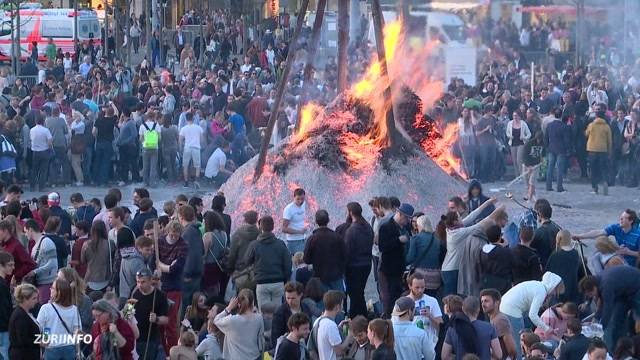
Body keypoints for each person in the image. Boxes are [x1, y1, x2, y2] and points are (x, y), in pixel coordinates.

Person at [441, 199, 503, 297]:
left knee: (455, 298)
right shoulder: (457, 234)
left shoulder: (453, 228)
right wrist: (499, 209)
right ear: (455, 221)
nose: (462, 218)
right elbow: (482, 224)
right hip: (452, 270)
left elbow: (472, 216)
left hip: (450, 269)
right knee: (451, 299)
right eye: (459, 217)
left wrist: (488, 202)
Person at [499, 271, 563, 360]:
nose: (554, 294)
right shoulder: (541, 292)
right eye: (555, 290)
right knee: (518, 343)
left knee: (509, 340)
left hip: (504, 308)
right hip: (512, 311)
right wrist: (547, 328)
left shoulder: (536, 285)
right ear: (553, 286)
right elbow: (532, 315)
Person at [579, 265, 640, 349]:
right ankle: (620, 347)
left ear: (594, 288)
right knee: (617, 319)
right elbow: (602, 304)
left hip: (636, 287)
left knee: (637, 317)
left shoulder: (606, 285)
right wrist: (596, 318)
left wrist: (600, 329)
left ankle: (635, 341)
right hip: (622, 292)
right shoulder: (597, 281)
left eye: (590, 294)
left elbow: (608, 309)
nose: (591, 297)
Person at [244, 215, 291, 311]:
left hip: (262, 282)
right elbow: (288, 264)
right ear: (273, 227)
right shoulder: (280, 244)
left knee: (263, 313)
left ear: (260, 227)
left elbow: (246, 261)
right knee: (278, 312)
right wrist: (286, 279)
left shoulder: (254, 245)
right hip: (278, 282)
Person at [156, 219, 188, 350]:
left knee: (170, 321)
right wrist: (166, 267)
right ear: (168, 231)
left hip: (174, 287)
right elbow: (154, 261)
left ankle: (173, 351)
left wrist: (163, 267)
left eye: (177, 234)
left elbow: (175, 269)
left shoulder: (183, 245)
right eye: (172, 234)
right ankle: (163, 350)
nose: (174, 237)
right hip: (160, 286)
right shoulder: (160, 242)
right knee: (159, 322)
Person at [378, 203, 414, 318]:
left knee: (399, 294)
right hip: (389, 269)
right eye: (407, 218)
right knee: (390, 297)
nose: (408, 222)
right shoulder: (386, 227)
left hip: (400, 268)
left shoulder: (406, 228)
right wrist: (398, 240)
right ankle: (390, 319)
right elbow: (382, 247)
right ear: (400, 214)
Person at [573, 209, 640, 265]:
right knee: (597, 256)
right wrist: (580, 236)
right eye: (621, 216)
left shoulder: (638, 235)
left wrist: (628, 252)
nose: (621, 219)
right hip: (619, 259)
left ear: (631, 221)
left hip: (631, 265)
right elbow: (599, 232)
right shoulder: (616, 227)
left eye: (624, 218)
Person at [37, 277, 82, 359]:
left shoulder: (46, 308)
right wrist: (78, 351)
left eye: (53, 288)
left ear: (59, 292)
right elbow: (77, 331)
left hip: (52, 348)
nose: (50, 289)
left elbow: (41, 328)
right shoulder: (74, 309)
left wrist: (45, 341)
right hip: (69, 347)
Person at [343, 202, 374, 318]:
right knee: (359, 292)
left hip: (354, 266)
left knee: (355, 294)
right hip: (366, 264)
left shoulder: (352, 230)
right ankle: (360, 316)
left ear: (350, 213)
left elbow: (347, 251)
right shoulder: (367, 227)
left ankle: (358, 318)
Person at [214, 289, 264, 360]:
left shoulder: (232, 320)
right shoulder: (259, 318)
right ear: (253, 302)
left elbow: (216, 320)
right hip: (255, 356)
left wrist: (229, 307)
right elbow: (261, 340)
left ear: (238, 304)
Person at [131, 267, 169, 360]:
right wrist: (126, 313)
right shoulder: (135, 292)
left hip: (150, 339)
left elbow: (166, 320)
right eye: (138, 282)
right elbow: (129, 307)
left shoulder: (159, 296)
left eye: (143, 282)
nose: (139, 285)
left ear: (150, 280)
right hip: (135, 338)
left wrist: (156, 319)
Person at [304, 209, 347, 292]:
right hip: (336, 276)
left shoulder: (312, 239)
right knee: (337, 301)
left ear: (316, 222)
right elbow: (345, 256)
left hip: (319, 277)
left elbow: (306, 259)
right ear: (328, 220)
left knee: (322, 302)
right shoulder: (337, 237)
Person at [310, 290, 353, 360]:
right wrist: (350, 335)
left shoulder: (318, 320)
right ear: (337, 307)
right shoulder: (330, 326)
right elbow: (339, 351)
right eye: (342, 304)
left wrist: (338, 328)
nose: (342, 307)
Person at [271, 281, 313, 350]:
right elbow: (275, 336)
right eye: (288, 298)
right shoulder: (280, 313)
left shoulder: (306, 309)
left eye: (293, 298)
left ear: (300, 295)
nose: (290, 301)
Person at [546, 230, 586, 304]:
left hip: (559, 293)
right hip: (573, 293)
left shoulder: (555, 255)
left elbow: (547, 273)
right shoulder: (576, 254)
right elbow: (582, 274)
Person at [405, 215, 441, 297]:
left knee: (419, 299)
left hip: (420, 277)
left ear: (419, 225)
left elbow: (410, 258)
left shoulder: (416, 238)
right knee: (431, 299)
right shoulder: (437, 239)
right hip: (435, 277)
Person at [25, 218, 58, 303]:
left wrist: (35, 272)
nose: (25, 234)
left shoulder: (46, 242)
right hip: (42, 283)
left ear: (30, 230)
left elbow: (53, 263)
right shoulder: (38, 244)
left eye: (26, 231)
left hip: (46, 282)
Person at [179, 204, 203, 318]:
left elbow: (190, 255)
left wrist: (186, 273)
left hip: (189, 275)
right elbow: (201, 251)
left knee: (187, 305)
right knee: (194, 304)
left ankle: (186, 328)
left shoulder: (187, 233)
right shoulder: (196, 231)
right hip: (197, 273)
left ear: (181, 217)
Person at [406, 273, 443, 347]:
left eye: (422, 287)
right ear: (410, 286)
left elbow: (440, 325)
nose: (420, 290)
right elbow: (397, 327)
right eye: (417, 287)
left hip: (429, 345)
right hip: (411, 345)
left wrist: (430, 316)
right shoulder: (403, 302)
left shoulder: (432, 301)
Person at [480, 289, 517, 360]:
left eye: (486, 301)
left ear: (497, 302)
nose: (483, 304)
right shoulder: (493, 319)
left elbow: (511, 349)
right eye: (482, 301)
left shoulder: (500, 320)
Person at [227, 210, 260, 290]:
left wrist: (230, 269)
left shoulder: (237, 234)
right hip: (256, 272)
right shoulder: (260, 234)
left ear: (244, 220)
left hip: (240, 272)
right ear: (256, 220)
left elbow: (232, 254)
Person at [585, 103, 613, 195]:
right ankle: (605, 182)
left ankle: (595, 188)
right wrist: (609, 151)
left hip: (592, 150)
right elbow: (609, 140)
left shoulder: (591, 125)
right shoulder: (606, 126)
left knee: (593, 170)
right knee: (604, 169)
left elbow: (586, 134)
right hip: (603, 150)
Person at [81, 220, 115, 293]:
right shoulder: (110, 244)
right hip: (106, 278)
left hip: (90, 278)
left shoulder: (86, 245)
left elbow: (83, 260)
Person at [8, 284, 40, 359]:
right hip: (22, 356)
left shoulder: (27, 312)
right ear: (25, 299)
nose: (36, 301)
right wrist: (39, 342)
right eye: (34, 298)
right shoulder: (19, 316)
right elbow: (23, 340)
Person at [479, 225, 513, 295]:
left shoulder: (482, 251)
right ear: (500, 236)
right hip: (503, 285)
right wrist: (506, 247)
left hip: (486, 283)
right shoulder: (504, 251)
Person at [544, 107, 571, 192]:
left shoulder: (549, 125)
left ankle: (548, 186)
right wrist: (567, 149)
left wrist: (547, 147)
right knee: (559, 169)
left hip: (551, 148)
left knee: (550, 168)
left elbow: (546, 138)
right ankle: (559, 187)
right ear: (561, 116)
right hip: (561, 149)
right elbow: (566, 140)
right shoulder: (564, 126)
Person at [531, 199, 561, 267]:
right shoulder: (557, 229)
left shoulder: (538, 232)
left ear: (540, 214)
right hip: (556, 265)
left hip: (544, 267)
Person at [179, 112, 204, 188]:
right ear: (193, 118)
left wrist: (180, 148)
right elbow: (202, 139)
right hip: (196, 147)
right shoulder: (199, 128)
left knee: (185, 165)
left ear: (186, 119)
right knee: (197, 166)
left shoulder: (183, 128)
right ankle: (196, 181)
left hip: (187, 148)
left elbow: (180, 140)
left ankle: (186, 182)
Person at [282, 188, 307, 255]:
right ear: (294, 197)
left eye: (302, 199)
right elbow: (284, 229)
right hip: (293, 241)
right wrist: (299, 232)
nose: (300, 201)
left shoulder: (303, 204)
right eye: (298, 199)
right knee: (298, 263)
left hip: (303, 239)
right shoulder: (289, 209)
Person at [0, 251, 13, 360]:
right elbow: (4, 308)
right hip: (3, 327)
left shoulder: (4, 283)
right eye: (9, 265)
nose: (13, 268)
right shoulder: (2, 284)